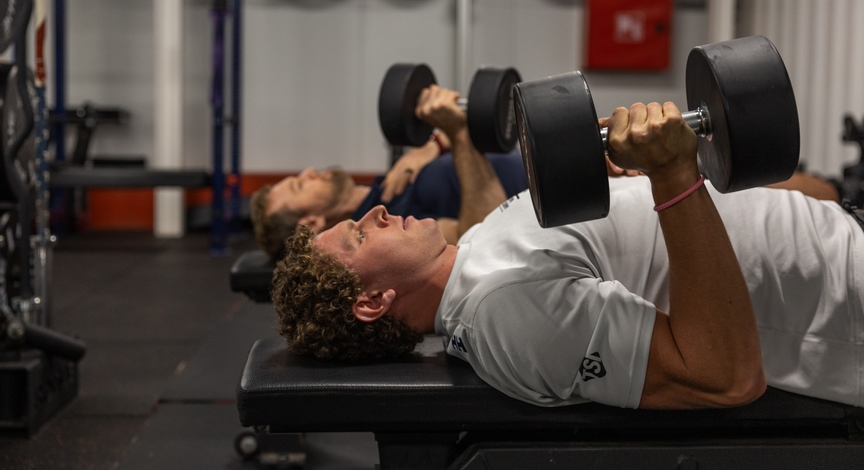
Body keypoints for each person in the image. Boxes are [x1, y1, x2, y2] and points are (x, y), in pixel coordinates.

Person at [272, 100, 864, 411]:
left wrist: (633, 181)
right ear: (373, 302)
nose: (375, 212)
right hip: (848, 291)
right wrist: (672, 175)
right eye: (359, 236)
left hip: (839, 234)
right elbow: (724, 378)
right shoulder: (502, 312)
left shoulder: (475, 253)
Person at [250, 85, 531, 260]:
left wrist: (433, 145)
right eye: (300, 185)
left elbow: (464, 138)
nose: (309, 171)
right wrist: (456, 134)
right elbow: (485, 237)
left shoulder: (387, 186)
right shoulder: (387, 228)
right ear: (311, 223)